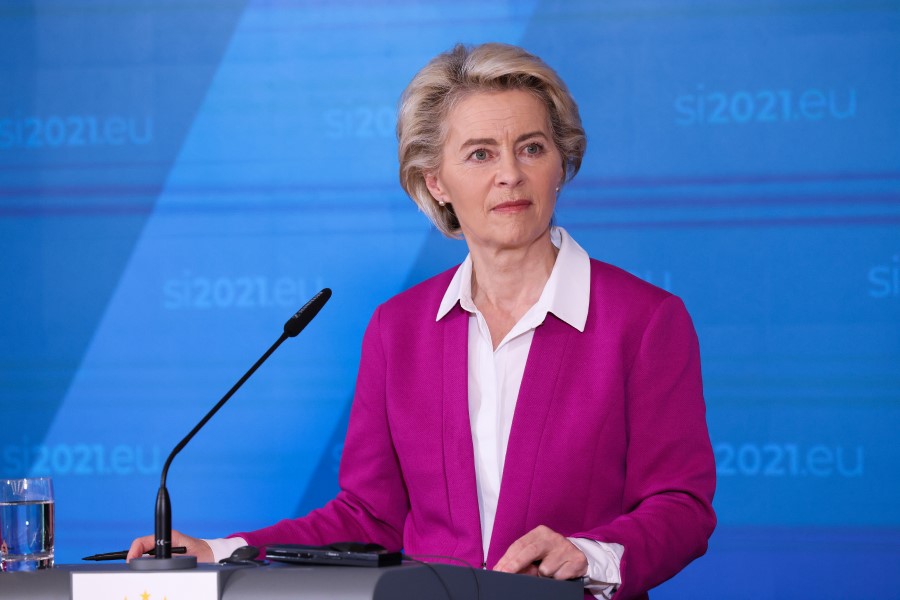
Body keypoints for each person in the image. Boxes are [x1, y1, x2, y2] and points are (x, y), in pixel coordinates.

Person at [128, 42, 716, 599]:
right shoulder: (399, 329)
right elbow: (368, 516)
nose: (509, 174)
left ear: (561, 163)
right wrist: (221, 551)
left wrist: (588, 554)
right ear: (436, 182)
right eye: (480, 154)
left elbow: (681, 506)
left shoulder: (644, 321)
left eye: (532, 148)